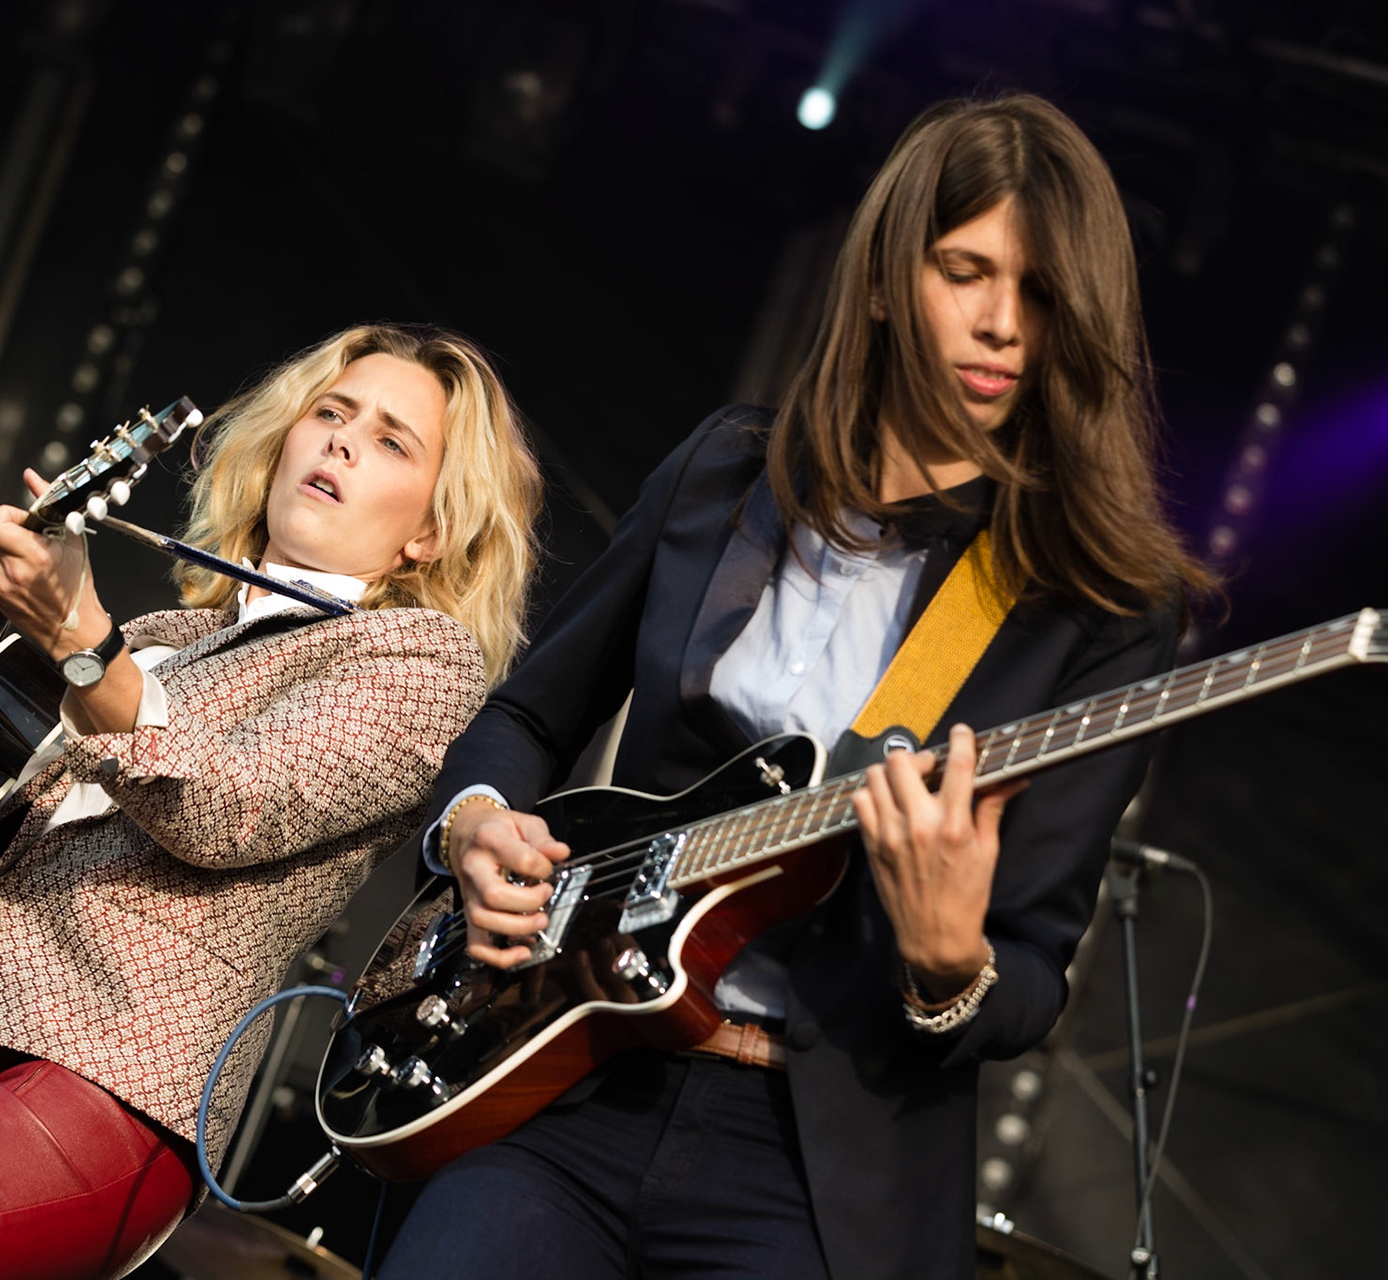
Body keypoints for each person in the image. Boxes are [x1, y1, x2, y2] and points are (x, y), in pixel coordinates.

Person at [375, 95, 1215, 1280]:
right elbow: (524, 714)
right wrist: (472, 826)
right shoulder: (725, 469)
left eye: (1038, 292)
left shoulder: (1098, 610)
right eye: (965, 270)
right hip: (568, 1077)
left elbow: (1029, 977)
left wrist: (946, 962)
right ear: (882, 279)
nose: (1000, 326)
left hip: (814, 1165)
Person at [0, 323, 544, 1280]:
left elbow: (226, 807)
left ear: (430, 531)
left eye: (389, 441)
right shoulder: (168, 634)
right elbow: (10, 812)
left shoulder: (417, 661)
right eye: (330, 413)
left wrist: (81, 632)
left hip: (101, 1081)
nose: (339, 441)